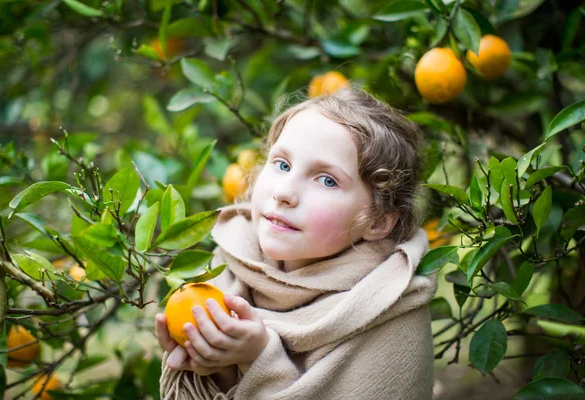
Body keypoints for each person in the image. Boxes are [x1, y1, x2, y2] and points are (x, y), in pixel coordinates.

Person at [155, 87, 437, 399]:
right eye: (282, 164)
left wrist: (259, 358)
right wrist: (217, 365)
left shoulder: (388, 308)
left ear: (378, 221)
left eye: (327, 180)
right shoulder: (228, 266)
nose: (284, 192)